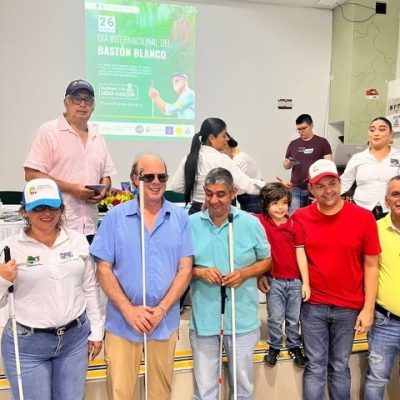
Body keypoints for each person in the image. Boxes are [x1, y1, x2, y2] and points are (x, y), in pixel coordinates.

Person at [90, 154, 193, 400]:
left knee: (160, 393)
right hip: (123, 324)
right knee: (120, 393)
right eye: (148, 176)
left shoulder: (179, 218)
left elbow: (185, 268)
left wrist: (161, 310)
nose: (156, 182)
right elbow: (103, 269)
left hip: (163, 323)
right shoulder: (115, 218)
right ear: (135, 179)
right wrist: (129, 310)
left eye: (162, 177)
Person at [0, 178, 103, 400]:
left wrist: (96, 330)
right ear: (25, 212)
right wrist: (2, 280)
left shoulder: (77, 241)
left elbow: (89, 288)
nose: (47, 213)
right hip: (28, 345)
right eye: (38, 208)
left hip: (74, 340)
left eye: (52, 207)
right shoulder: (9, 247)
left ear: (61, 208)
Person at [292, 159, 380, 400]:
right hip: (313, 307)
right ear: (311, 189)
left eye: (332, 183)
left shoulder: (363, 218)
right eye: (320, 186)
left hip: (348, 307)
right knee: (315, 367)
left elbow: (372, 266)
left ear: (340, 183)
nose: (328, 190)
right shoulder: (300, 217)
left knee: (339, 368)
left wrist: (368, 309)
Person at [189, 167, 271, 400]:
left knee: (242, 388)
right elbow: (180, 267)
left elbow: (266, 260)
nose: (214, 200)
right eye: (209, 193)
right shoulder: (191, 224)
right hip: (204, 320)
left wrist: (245, 273)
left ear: (233, 192)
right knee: (205, 391)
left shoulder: (250, 223)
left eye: (221, 194)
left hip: (241, 319)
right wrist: (199, 272)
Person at [24, 79, 117, 243]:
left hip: (90, 227)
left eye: (87, 100)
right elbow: (31, 174)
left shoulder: (97, 136)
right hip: (56, 225)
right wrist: (71, 189)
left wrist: (103, 190)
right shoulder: (48, 131)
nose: (82, 104)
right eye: (77, 99)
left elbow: (107, 175)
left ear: (93, 106)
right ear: (65, 103)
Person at [255, 182, 310, 368]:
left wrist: (306, 282)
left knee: (293, 318)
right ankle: (275, 345)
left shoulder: (295, 224)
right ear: (265, 205)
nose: (281, 207)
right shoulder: (260, 222)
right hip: (274, 281)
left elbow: (301, 253)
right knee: (275, 317)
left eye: (284, 203)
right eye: (275, 203)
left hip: (295, 281)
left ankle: (295, 345)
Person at [171, 117, 265, 214]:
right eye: (224, 136)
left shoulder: (188, 158)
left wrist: (196, 191)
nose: (227, 139)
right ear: (212, 138)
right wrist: (273, 187)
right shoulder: (221, 160)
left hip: (194, 211)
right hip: (216, 213)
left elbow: (176, 186)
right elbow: (247, 184)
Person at [364, 175, 400, 399]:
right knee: (376, 380)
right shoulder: (374, 229)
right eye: (396, 194)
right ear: (386, 200)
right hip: (385, 322)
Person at [341, 117, 400, 220]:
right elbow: (344, 182)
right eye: (372, 130)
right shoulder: (358, 158)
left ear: (391, 135)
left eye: (381, 130)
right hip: (361, 210)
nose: (376, 133)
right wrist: (326, 196)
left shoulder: (398, 156)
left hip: (391, 212)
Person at [283, 114, 332, 213]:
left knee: (315, 215)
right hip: (296, 188)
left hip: (316, 187)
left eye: (304, 128)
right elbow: (285, 165)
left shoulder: (322, 142)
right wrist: (289, 163)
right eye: (298, 129)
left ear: (311, 125)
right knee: (295, 216)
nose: (301, 132)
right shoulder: (293, 144)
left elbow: (329, 164)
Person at [224, 135, 263, 213]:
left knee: (251, 222)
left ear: (226, 146)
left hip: (252, 197)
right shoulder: (240, 156)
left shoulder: (239, 160)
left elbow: (237, 184)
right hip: (249, 196)